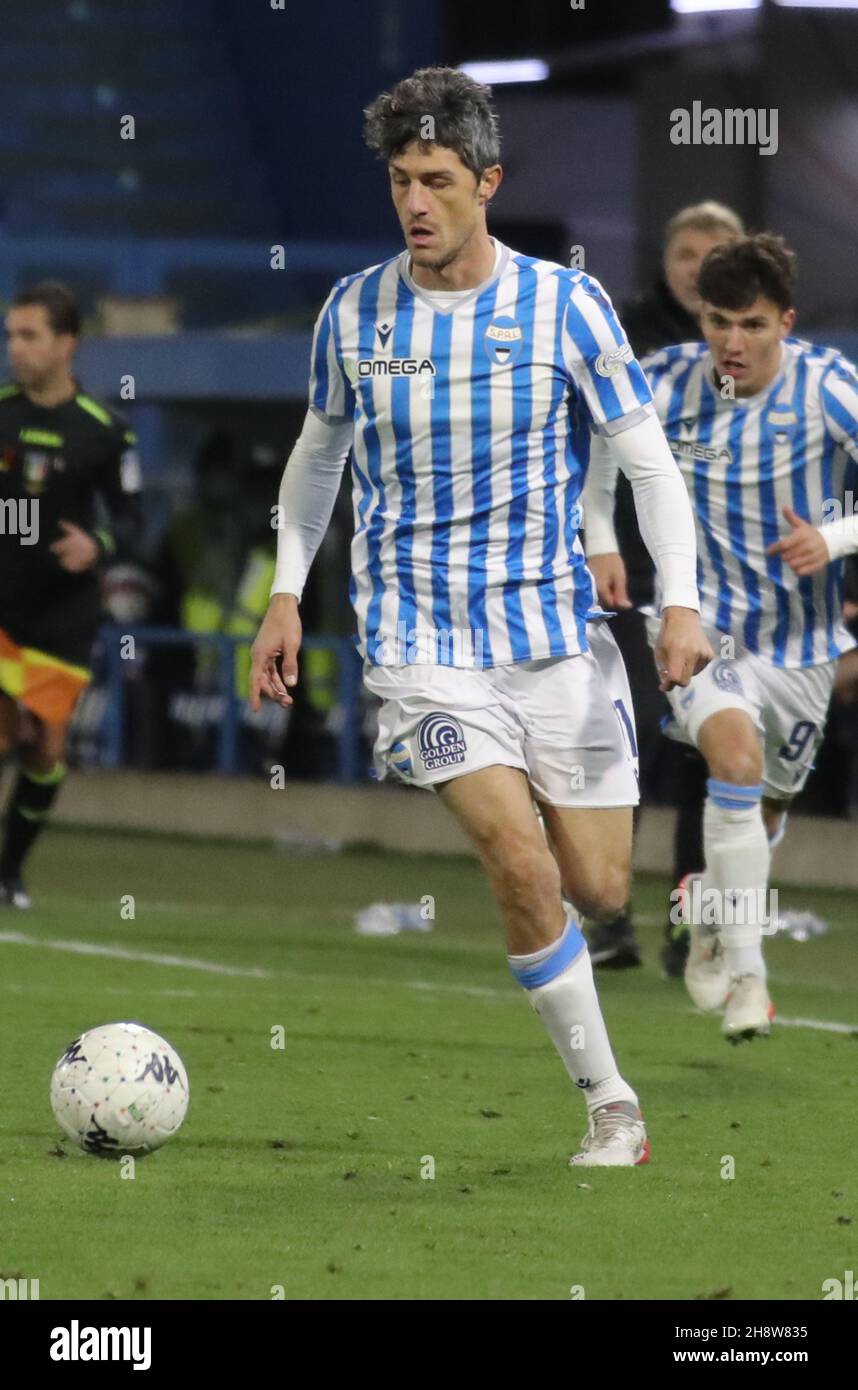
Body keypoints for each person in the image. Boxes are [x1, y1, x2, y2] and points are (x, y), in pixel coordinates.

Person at [250, 67, 710, 1166]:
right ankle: (611, 1103)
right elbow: (320, 457)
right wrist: (284, 592)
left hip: (557, 641)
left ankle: (584, 949)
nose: (416, 202)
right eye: (403, 179)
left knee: (598, 885)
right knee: (518, 859)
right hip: (420, 648)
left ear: (487, 181)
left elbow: (648, 461)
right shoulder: (355, 311)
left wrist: (680, 604)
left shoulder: (565, 305)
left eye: (440, 181)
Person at [583, 234, 858, 1042]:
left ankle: (709, 916)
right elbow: (602, 466)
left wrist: (834, 541)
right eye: (717, 323)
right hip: (700, 626)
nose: (733, 343)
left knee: (765, 814)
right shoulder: (663, 382)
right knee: (732, 763)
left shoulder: (828, 390)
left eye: (753, 325)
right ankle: (749, 978)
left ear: (786, 323)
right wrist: (601, 538)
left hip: (802, 646)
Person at [589, 201, 745, 973]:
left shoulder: (754, 346)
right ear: (667, 260)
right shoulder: (622, 335)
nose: (697, 264)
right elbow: (589, 445)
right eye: (686, 250)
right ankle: (607, 914)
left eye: (715, 250)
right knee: (631, 741)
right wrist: (599, 539)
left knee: (709, 760)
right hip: (629, 580)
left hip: (722, 587)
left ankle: (692, 925)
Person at [0, 282, 142, 905]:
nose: (15, 349)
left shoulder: (106, 431)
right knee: (3, 732)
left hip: (63, 614)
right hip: (1, 603)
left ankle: (9, 873)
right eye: (10, 335)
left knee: (44, 750)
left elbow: (133, 518)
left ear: (66, 344)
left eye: (29, 336)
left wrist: (99, 546)